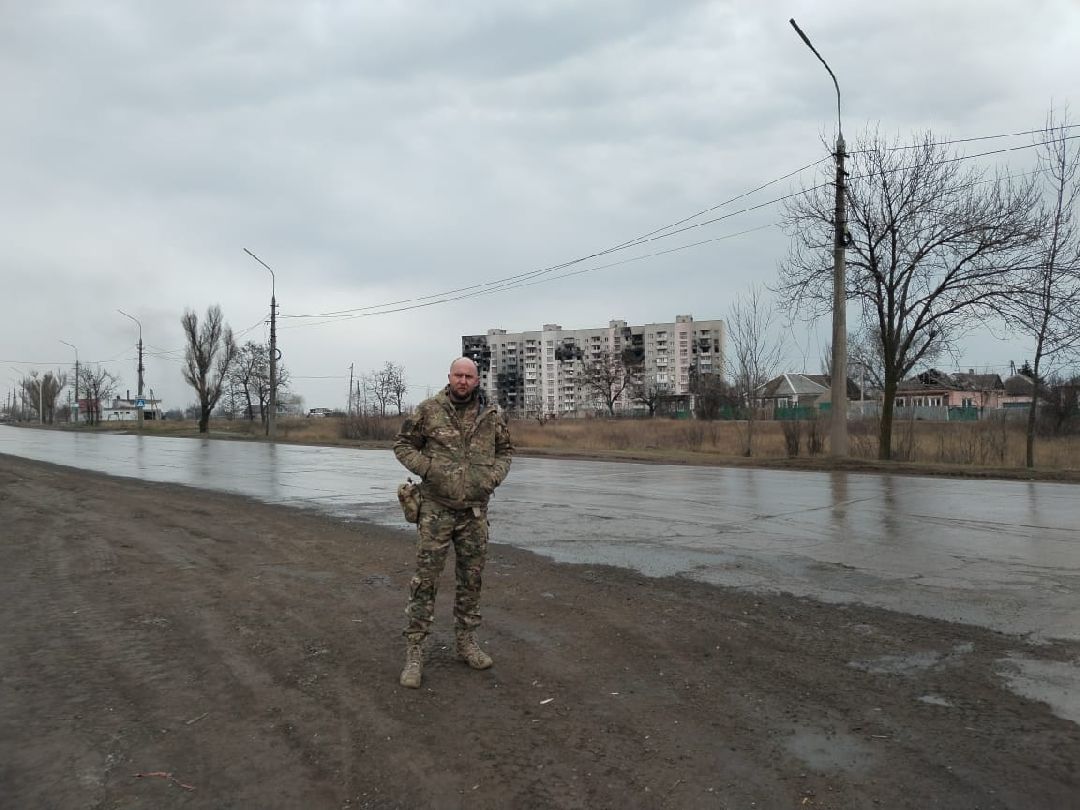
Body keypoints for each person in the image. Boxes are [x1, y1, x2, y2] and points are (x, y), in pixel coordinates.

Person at [393, 357, 514, 689]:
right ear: (450, 377)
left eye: (469, 376)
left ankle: (466, 642)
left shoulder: (492, 414)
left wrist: (492, 478)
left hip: (474, 511)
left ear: (476, 380)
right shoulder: (429, 410)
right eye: (458, 375)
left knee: (471, 580)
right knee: (426, 580)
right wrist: (428, 469)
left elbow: (505, 451)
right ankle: (415, 651)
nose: (463, 380)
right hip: (436, 510)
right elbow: (402, 444)